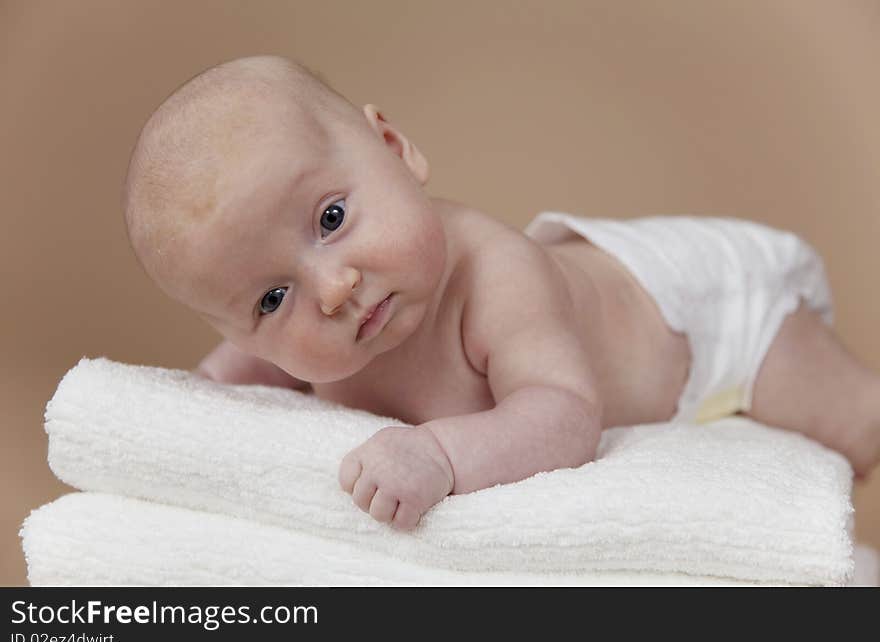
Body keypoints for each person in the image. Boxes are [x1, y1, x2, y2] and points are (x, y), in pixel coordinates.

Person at [122, 55, 880, 529]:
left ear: (394, 148)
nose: (333, 288)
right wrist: (190, 407)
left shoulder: (495, 278)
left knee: (854, 426)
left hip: (705, 317)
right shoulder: (308, 335)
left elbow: (566, 416)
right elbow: (220, 387)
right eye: (270, 299)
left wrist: (440, 456)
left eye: (331, 218)